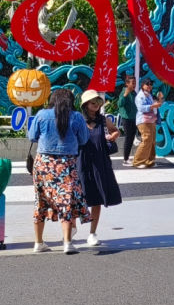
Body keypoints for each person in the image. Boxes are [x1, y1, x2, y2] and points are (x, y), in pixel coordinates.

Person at [27, 87, 89, 253]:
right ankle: (67, 242)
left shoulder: (41, 114)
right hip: (66, 163)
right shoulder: (76, 117)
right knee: (66, 200)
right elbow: (83, 139)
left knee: (41, 200)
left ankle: (38, 243)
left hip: (43, 163)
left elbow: (32, 136)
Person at [77, 89, 122, 247]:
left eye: (97, 102)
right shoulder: (78, 120)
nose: (95, 105)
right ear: (85, 105)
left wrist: (113, 136)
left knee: (96, 199)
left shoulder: (103, 120)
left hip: (100, 162)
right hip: (81, 163)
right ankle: (71, 228)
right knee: (78, 197)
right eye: (92, 102)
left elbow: (116, 130)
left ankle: (92, 233)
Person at [132, 78, 162, 168]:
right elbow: (141, 108)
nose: (149, 86)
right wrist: (153, 106)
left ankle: (149, 161)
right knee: (147, 139)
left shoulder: (149, 95)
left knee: (152, 140)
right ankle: (138, 161)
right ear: (142, 85)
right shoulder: (140, 96)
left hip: (151, 120)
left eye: (151, 84)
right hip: (143, 120)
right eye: (147, 84)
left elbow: (157, 104)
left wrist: (159, 99)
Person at [117, 74, 137, 165]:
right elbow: (120, 104)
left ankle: (128, 157)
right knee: (128, 138)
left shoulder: (134, 93)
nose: (134, 84)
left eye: (135, 83)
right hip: (127, 119)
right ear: (127, 84)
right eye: (132, 83)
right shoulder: (124, 92)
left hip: (134, 118)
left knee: (132, 138)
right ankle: (125, 159)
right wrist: (125, 94)